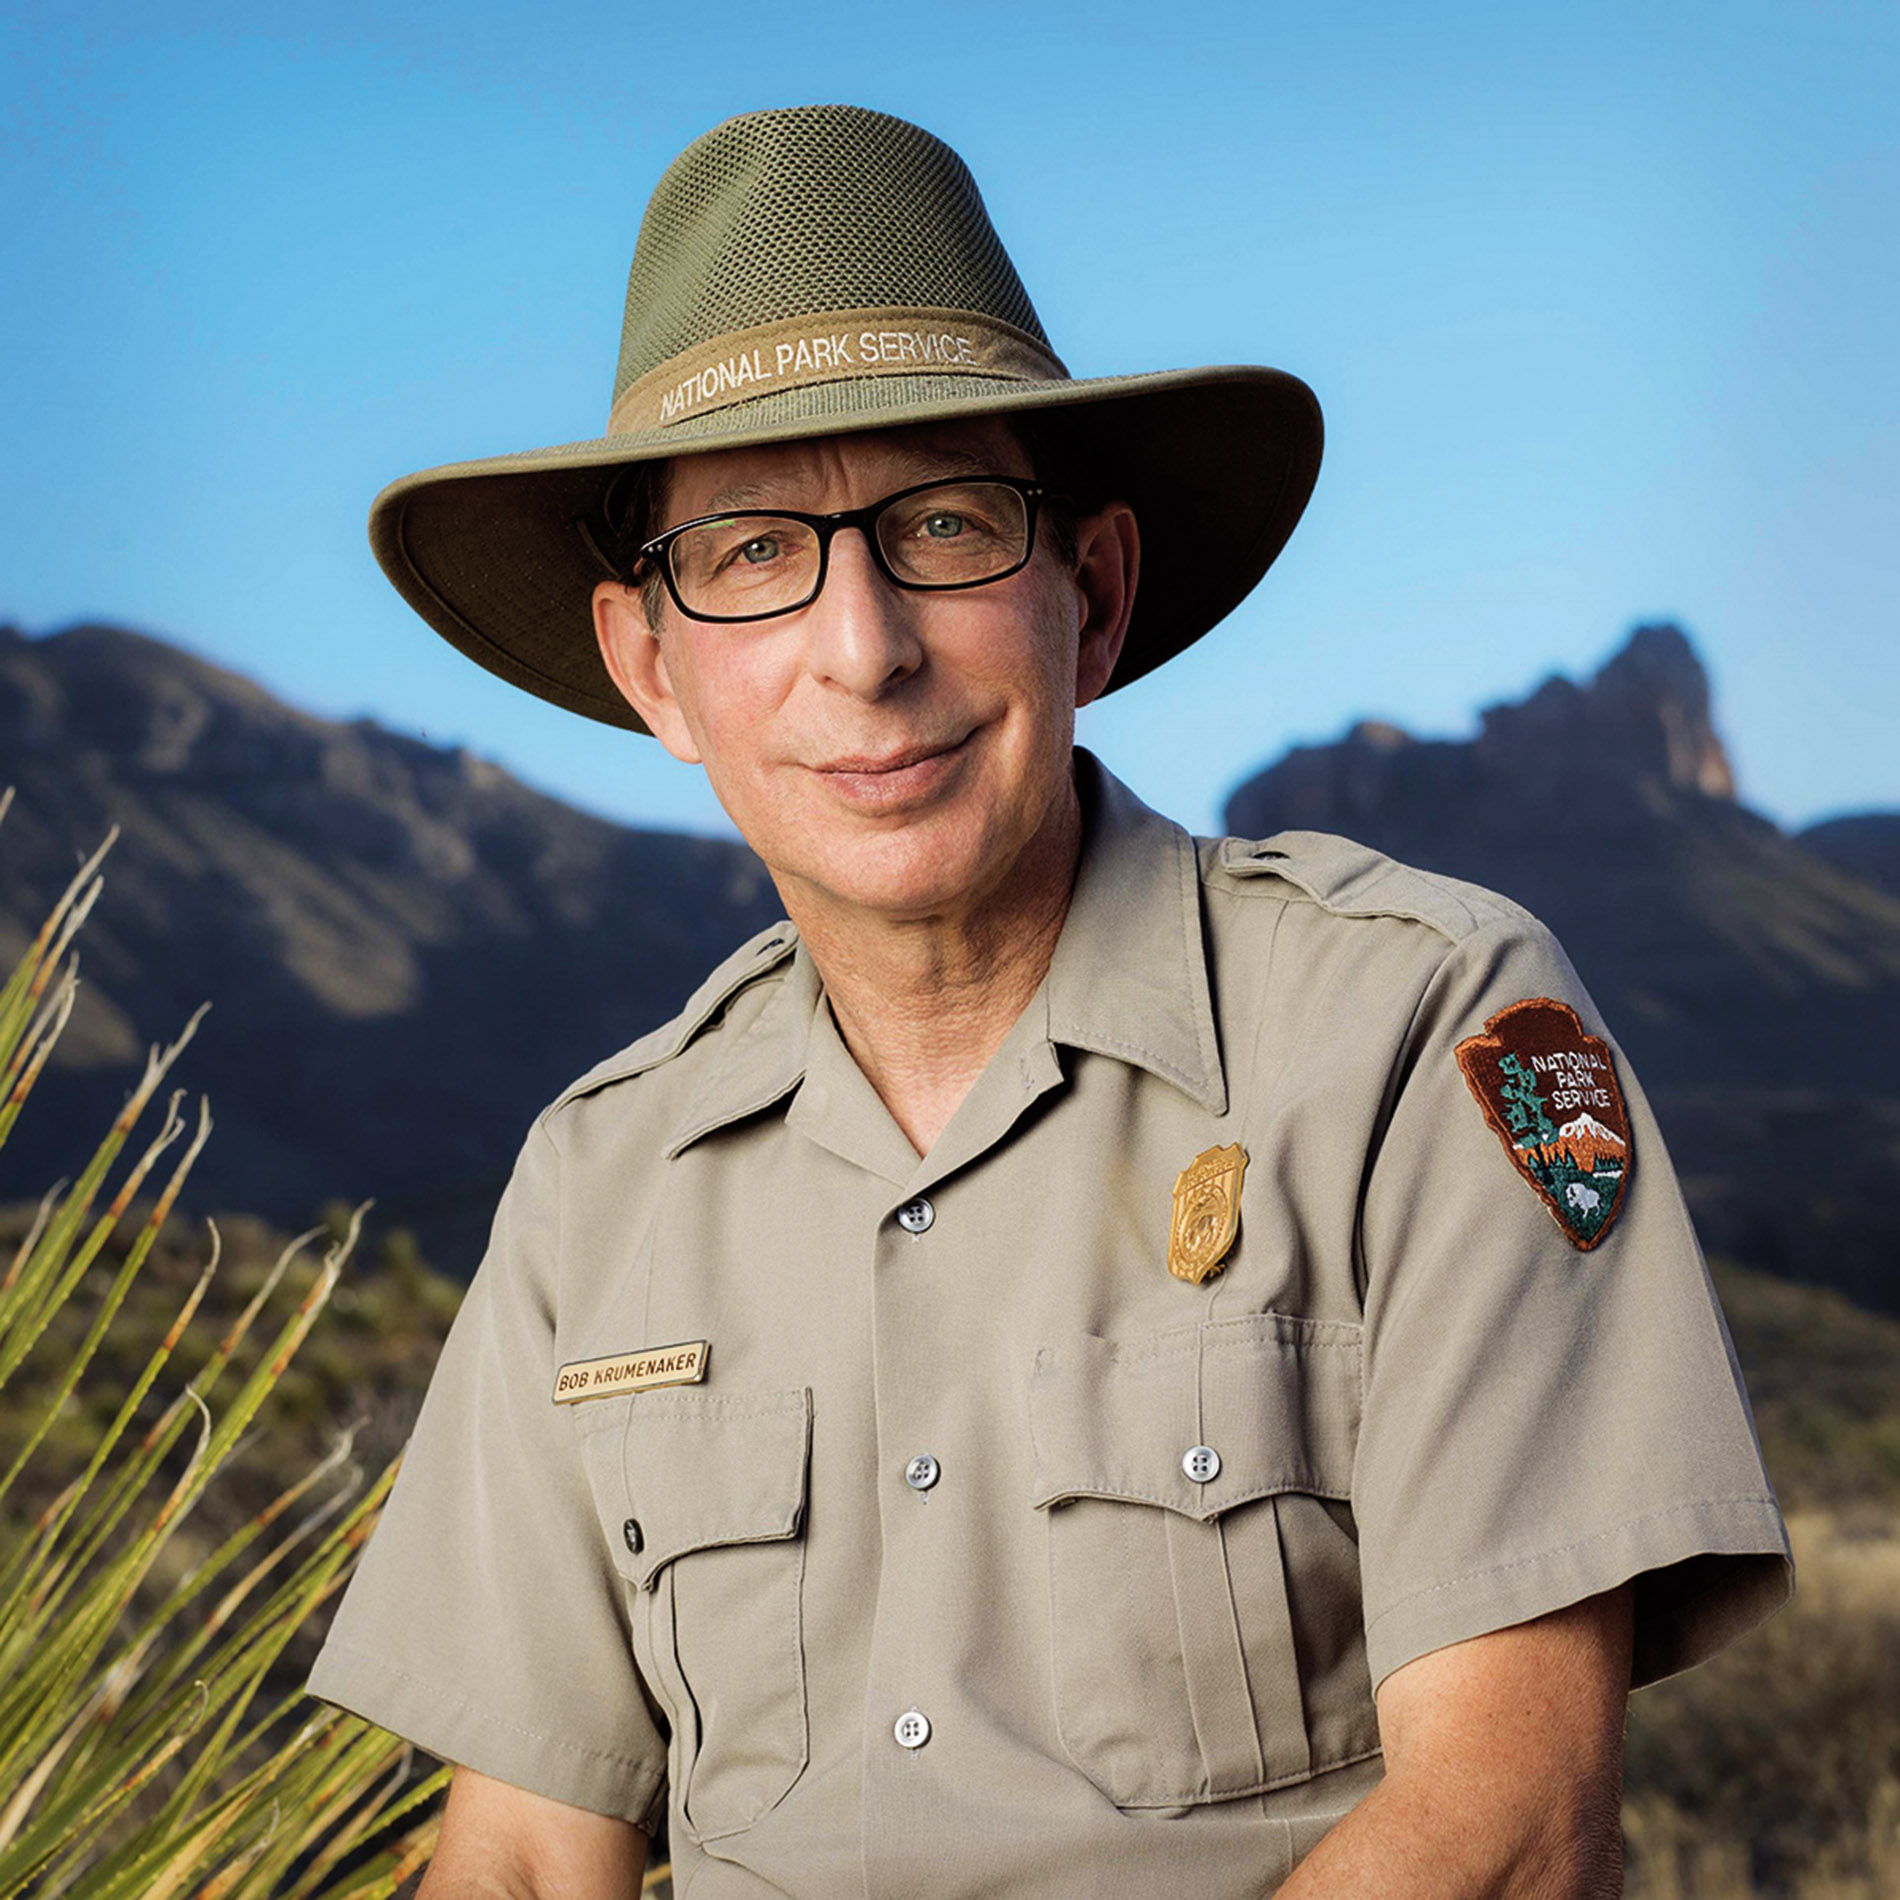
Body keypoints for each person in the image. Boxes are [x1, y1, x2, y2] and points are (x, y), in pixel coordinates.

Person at [308, 105, 1792, 1898]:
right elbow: (531, 1861)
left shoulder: (1416, 1030)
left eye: (941, 525)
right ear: (656, 671)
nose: (865, 650)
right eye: (756, 554)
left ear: (1089, 598)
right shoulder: (598, 1184)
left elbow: (1504, 1837)